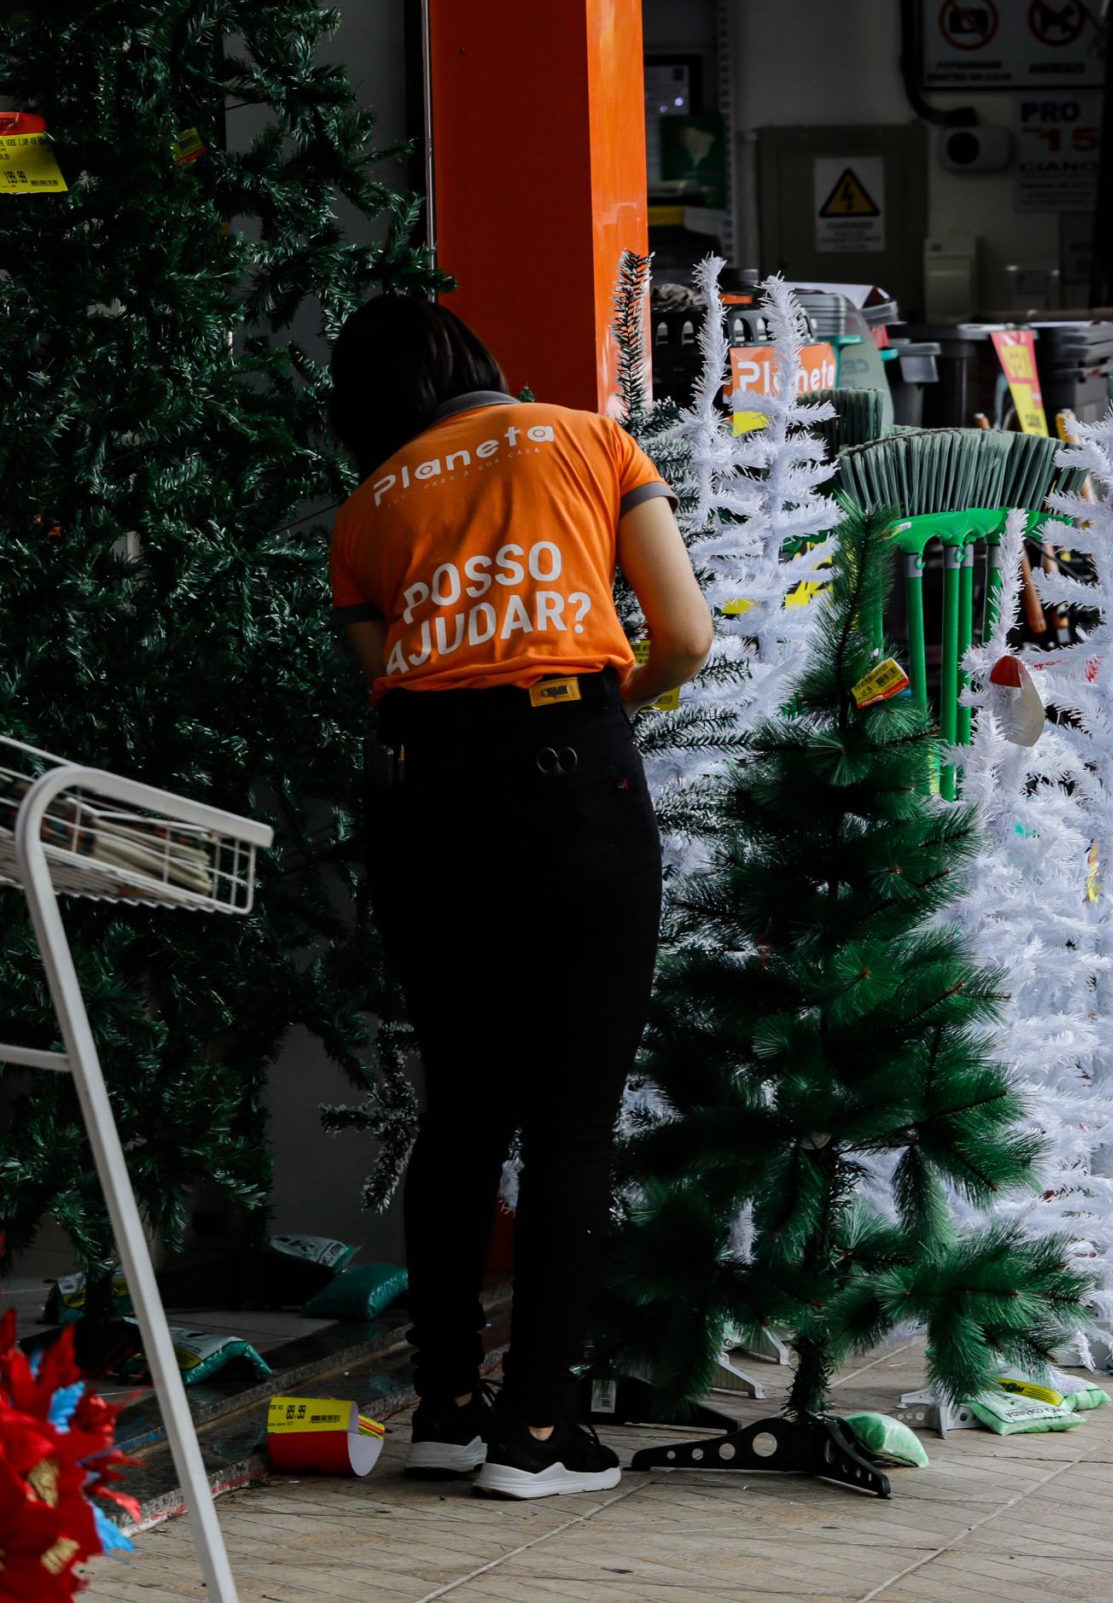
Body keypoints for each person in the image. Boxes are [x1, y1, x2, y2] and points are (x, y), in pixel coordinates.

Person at [325, 296, 712, 1499]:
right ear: (474, 362)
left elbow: (390, 685)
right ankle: (537, 1431)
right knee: (572, 1118)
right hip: (571, 779)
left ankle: (445, 1409)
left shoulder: (366, 507)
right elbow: (686, 636)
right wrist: (604, 717)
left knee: (462, 1107)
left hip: (426, 804)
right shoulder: (590, 441)